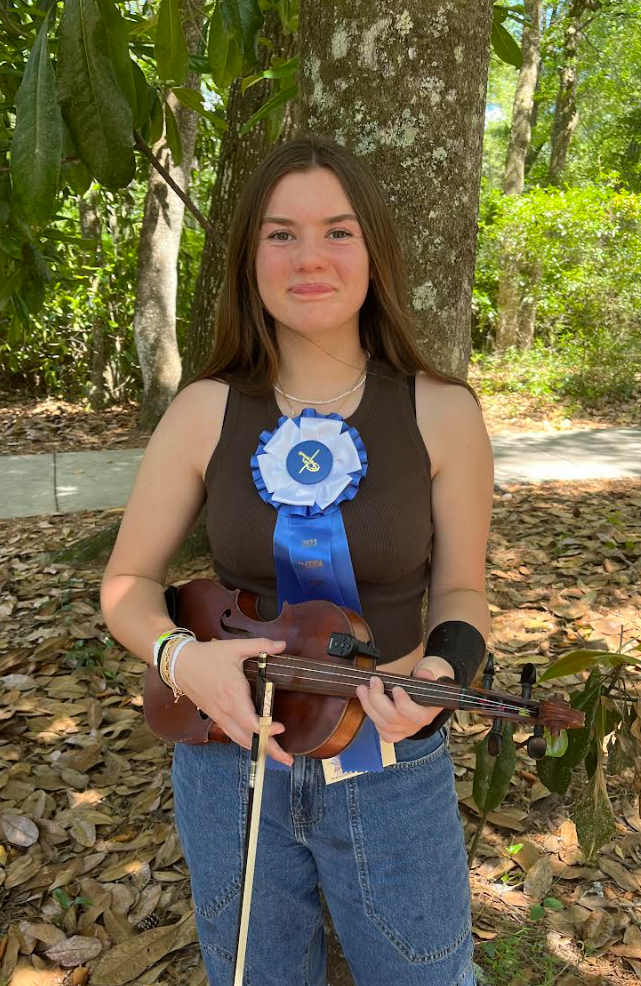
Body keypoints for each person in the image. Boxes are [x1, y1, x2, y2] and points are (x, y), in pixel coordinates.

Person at [100, 136, 494, 986]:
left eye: (337, 232)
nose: (308, 257)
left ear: (374, 250)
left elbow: (463, 587)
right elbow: (128, 585)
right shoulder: (204, 410)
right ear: (249, 258)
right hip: (227, 761)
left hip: (390, 762)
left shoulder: (444, 410)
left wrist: (439, 672)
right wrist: (181, 655)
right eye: (281, 234)